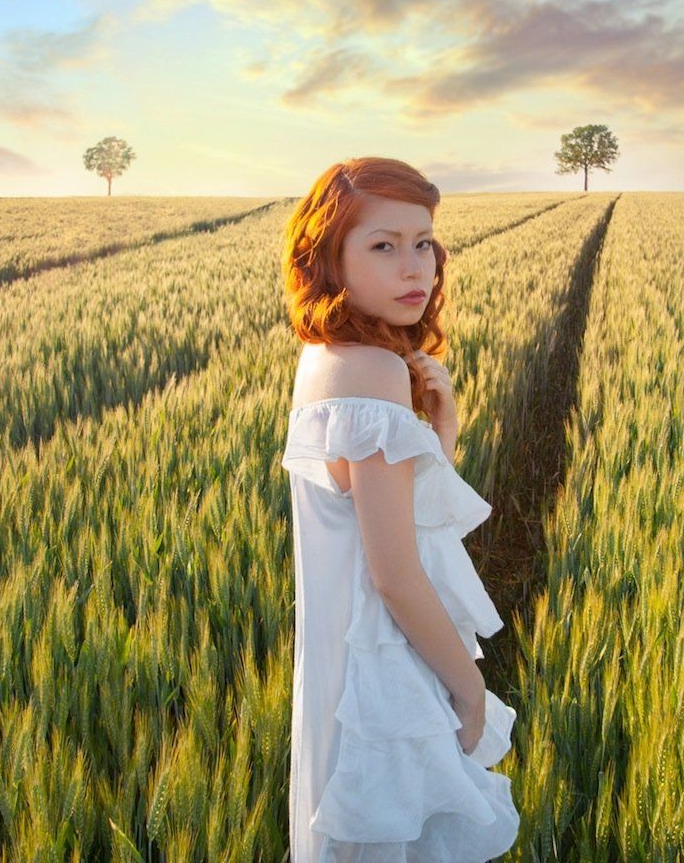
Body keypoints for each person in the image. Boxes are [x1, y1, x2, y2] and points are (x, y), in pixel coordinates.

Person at [280, 157, 520, 861]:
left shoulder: (326, 355)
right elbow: (393, 571)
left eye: (423, 243)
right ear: (330, 260)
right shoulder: (374, 370)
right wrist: (469, 689)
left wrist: (436, 431)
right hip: (381, 665)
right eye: (383, 246)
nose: (414, 266)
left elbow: (385, 512)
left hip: (345, 659)